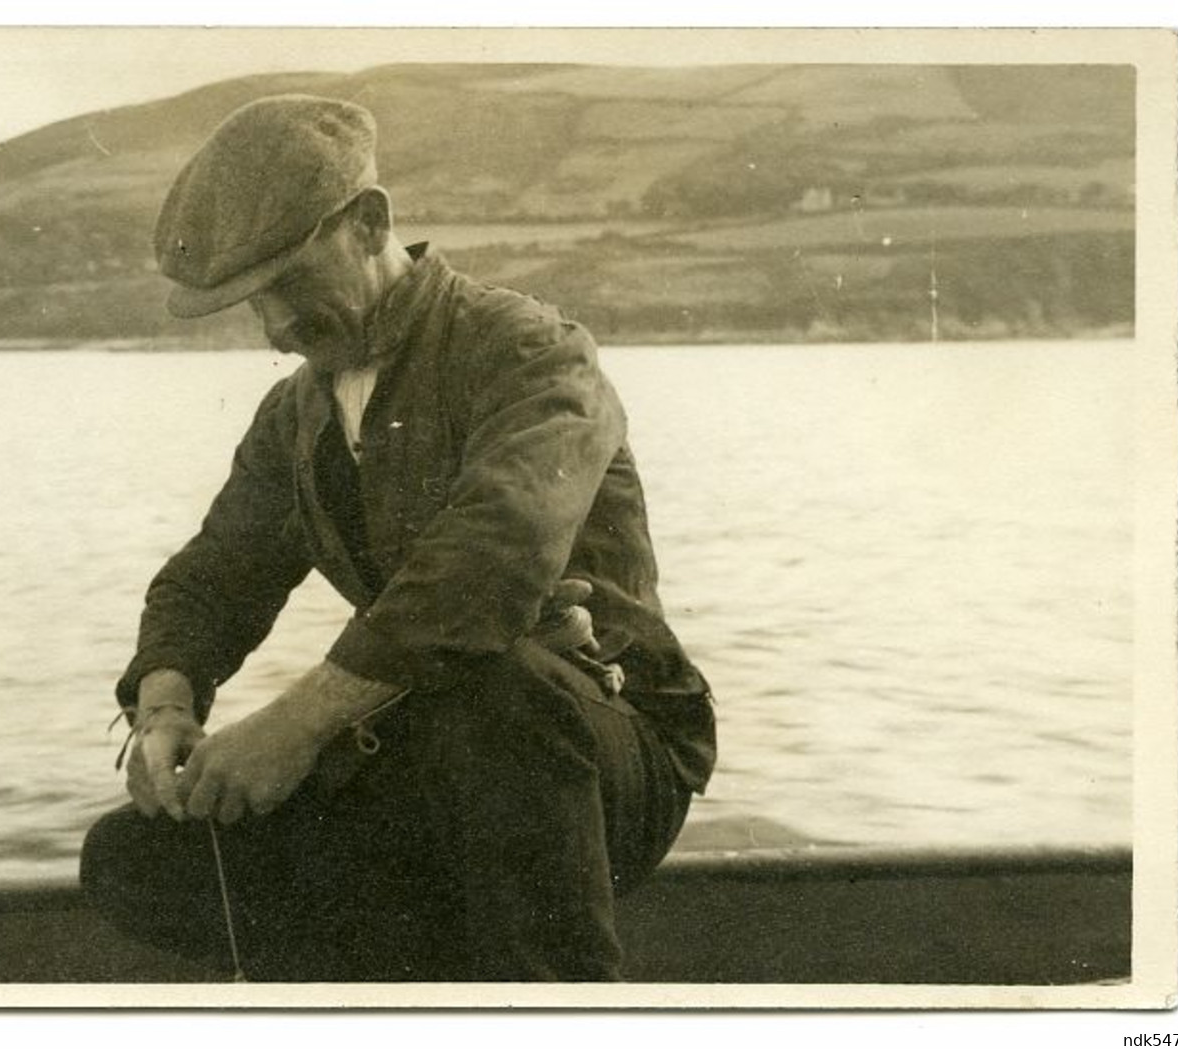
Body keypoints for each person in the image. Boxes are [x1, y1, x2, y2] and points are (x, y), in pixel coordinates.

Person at [80, 94, 716, 982]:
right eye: (253, 305)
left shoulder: (532, 353)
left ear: (369, 222)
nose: (277, 331)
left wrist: (296, 724)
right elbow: (213, 579)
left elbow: (491, 560)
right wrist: (165, 709)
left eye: (293, 286)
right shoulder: (294, 414)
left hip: (603, 755)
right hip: (429, 761)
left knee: (500, 695)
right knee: (134, 858)